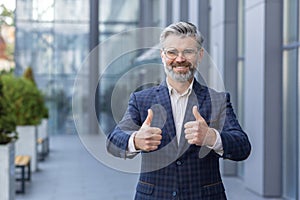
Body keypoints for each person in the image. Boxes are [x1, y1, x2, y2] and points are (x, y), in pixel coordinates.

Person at [106, 21, 251, 200]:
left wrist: (212, 137)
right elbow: (113, 142)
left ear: (200, 55)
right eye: (172, 52)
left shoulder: (218, 100)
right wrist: (135, 140)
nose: (180, 59)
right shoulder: (141, 100)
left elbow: (243, 147)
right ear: (162, 56)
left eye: (188, 52)